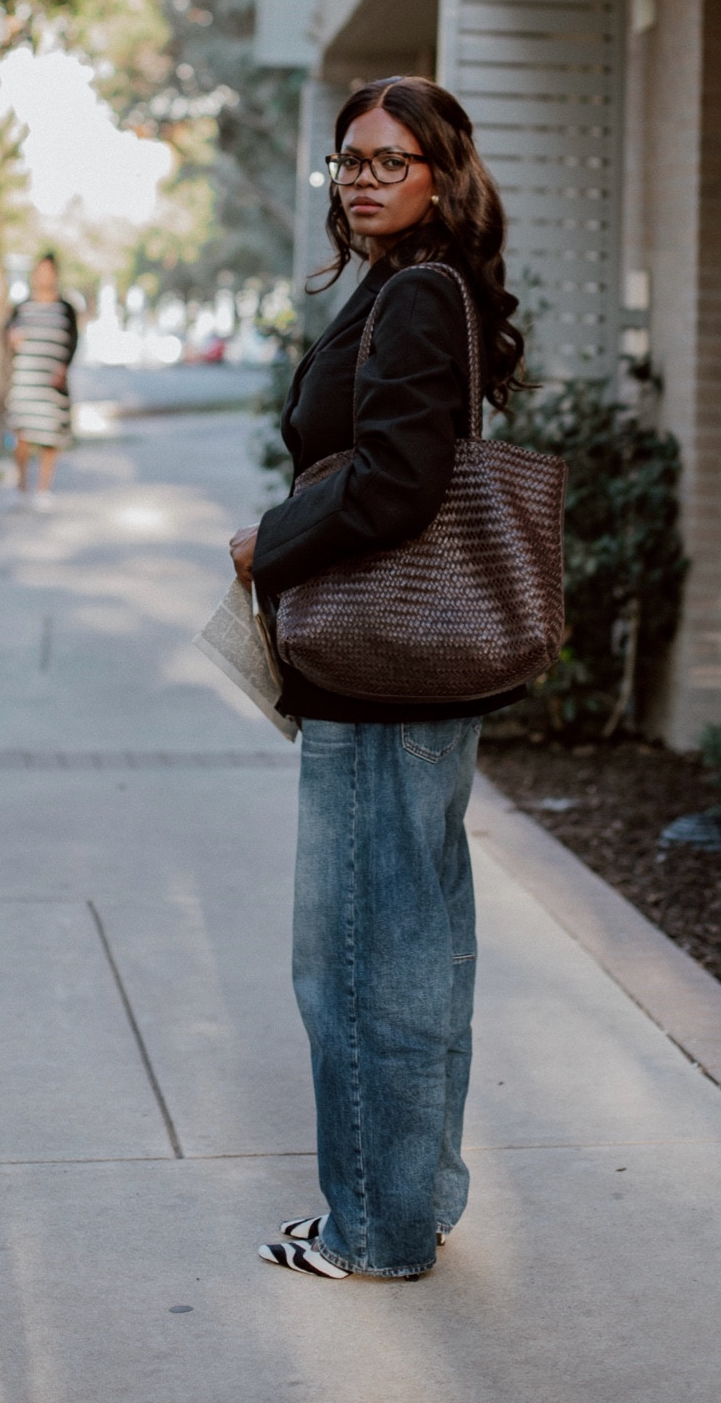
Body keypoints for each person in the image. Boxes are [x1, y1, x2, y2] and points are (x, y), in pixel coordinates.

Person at [230, 75, 527, 1282]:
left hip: (379, 675)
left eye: (387, 160)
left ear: (441, 175)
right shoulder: (425, 288)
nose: (359, 180)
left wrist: (270, 539)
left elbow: (396, 485)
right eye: (347, 161)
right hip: (415, 678)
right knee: (420, 945)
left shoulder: (415, 294)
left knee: (356, 958)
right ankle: (417, 1196)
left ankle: (377, 1229)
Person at [5, 254, 78, 509]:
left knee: (49, 437)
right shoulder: (22, 307)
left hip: (51, 382)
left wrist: (63, 367)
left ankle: (43, 489)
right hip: (26, 380)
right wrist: (12, 340)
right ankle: (21, 486)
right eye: (40, 271)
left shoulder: (66, 308)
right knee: (21, 435)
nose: (44, 277)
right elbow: (9, 335)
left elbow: (73, 342)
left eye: (49, 272)